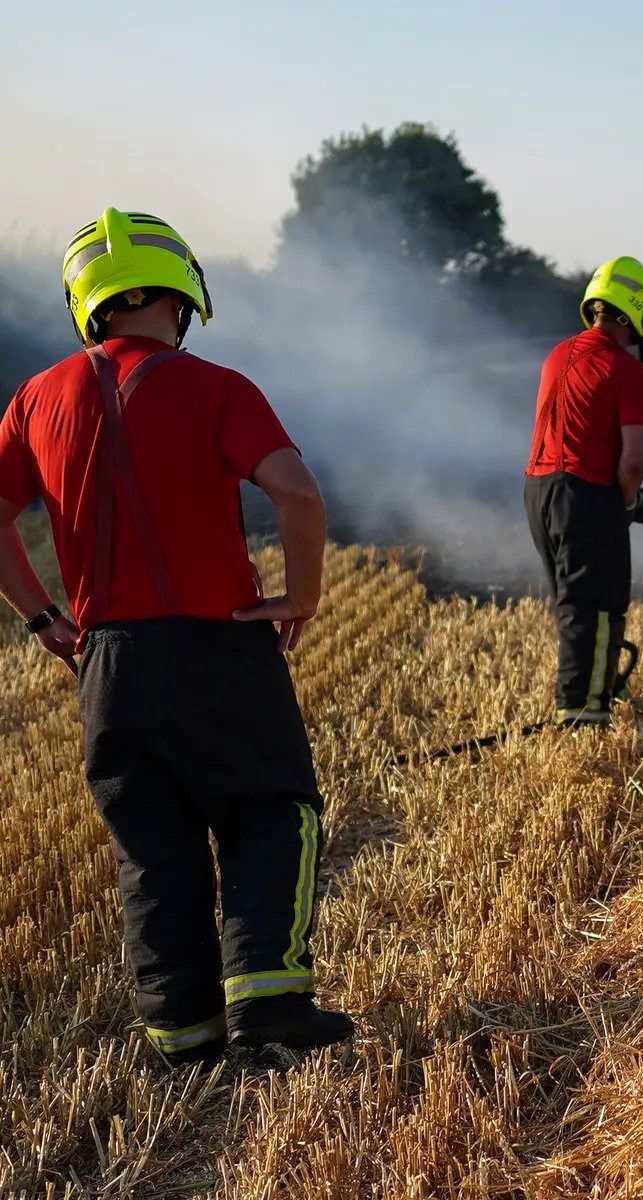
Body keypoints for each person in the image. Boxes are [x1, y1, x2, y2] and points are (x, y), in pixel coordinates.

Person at [0, 207, 352, 1069]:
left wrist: (43, 616)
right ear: (183, 293)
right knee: (271, 812)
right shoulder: (219, 387)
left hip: (108, 662)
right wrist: (298, 596)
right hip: (220, 647)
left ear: (90, 303)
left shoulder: (36, 398)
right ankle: (269, 1007)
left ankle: (183, 1038)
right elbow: (297, 493)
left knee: (153, 848)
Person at [524, 256, 643, 726]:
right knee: (600, 608)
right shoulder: (629, 372)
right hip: (585, 494)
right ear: (636, 310)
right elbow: (634, 461)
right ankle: (585, 716)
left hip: (541, 492)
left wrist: (620, 497)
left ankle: (577, 706)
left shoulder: (557, 354)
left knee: (572, 605)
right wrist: (627, 500)